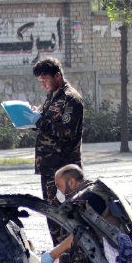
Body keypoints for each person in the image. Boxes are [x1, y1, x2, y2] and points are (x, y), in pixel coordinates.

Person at [31, 57, 84, 205]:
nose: (43, 84)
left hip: (64, 169)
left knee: (66, 213)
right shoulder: (52, 97)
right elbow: (46, 124)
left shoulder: (71, 99)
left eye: (45, 80)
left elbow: (67, 132)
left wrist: (39, 121)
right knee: (52, 213)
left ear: (58, 76)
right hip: (49, 167)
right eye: (40, 81)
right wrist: (33, 119)